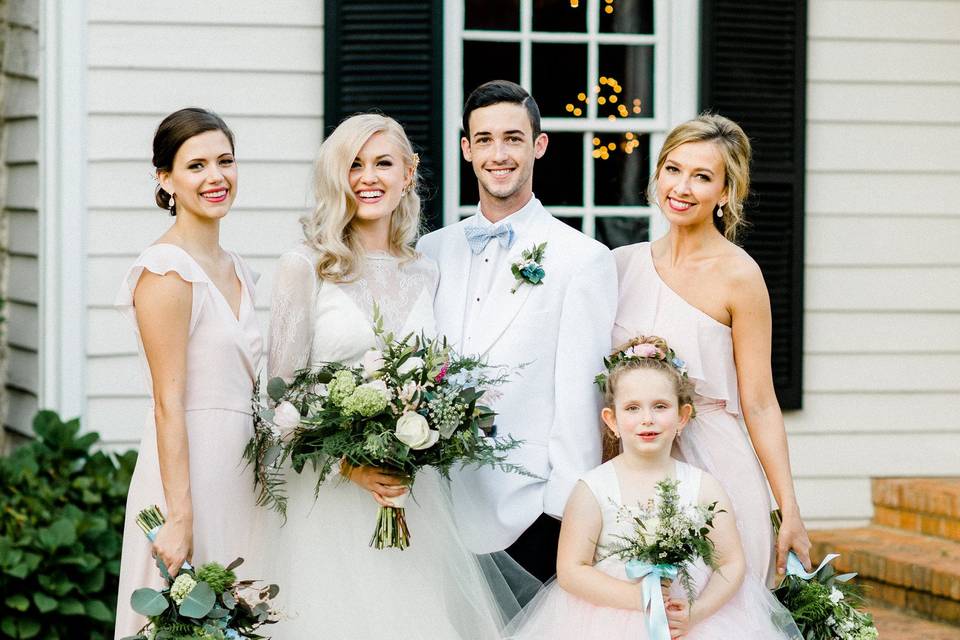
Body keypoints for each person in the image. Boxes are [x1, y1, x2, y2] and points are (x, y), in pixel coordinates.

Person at [266, 113, 519, 638]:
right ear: (336, 177)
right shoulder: (305, 265)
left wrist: (428, 432)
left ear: (409, 172)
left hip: (413, 497)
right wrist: (348, 464)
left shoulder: (424, 270)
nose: (368, 177)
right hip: (330, 501)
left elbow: (436, 377)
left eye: (383, 163)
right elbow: (280, 401)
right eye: (354, 165)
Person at [417, 80, 618, 583]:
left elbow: (580, 399)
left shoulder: (582, 259)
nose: (498, 153)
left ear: (539, 146)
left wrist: (561, 515)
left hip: (529, 513)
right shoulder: (431, 252)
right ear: (466, 149)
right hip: (435, 509)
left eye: (513, 138)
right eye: (484, 139)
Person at [610, 113, 812, 586]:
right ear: (657, 175)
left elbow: (760, 403)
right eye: (673, 169)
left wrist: (789, 507)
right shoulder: (620, 266)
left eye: (702, 177)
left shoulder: (740, 277)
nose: (682, 187)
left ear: (725, 193)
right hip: (631, 468)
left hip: (715, 468)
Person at [505, 337, 802, 639]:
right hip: (606, 620)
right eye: (632, 408)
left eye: (660, 406)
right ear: (612, 420)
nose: (647, 419)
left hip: (695, 621)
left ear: (682, 416)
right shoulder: (593, 488)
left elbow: (731, 562)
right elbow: (571, 570)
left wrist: (696, 612)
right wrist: (640, 598)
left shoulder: (704, 487)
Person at [114, 108, 264, 638]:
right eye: (195, 165)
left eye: (225, 160)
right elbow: (166, 403)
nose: (215, 177)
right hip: (187, 474)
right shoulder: (166, 271)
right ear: (165, 179)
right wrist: (180, 518)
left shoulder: (238, 266)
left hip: (241, 471)